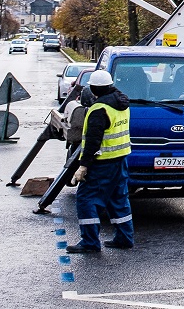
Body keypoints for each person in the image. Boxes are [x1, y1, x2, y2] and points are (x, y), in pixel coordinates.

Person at [66, 69, 134, 253]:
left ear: (94, 88)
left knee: (86, 199)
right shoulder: (122, 102)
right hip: (121, 160)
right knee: (118, 198)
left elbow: (93, 141)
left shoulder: (99, 109)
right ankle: (125, 238)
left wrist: (83, 166)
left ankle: (89, 242)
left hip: (102, 162)